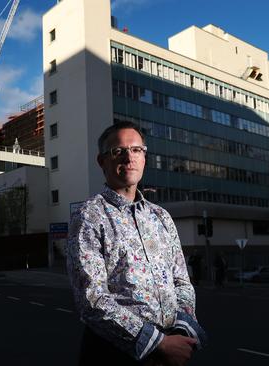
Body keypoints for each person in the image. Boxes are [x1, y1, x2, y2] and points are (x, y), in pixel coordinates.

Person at [67, 122, 207, 366]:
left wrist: (180, 334)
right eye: (118, 151)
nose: (128, 157)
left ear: (144, 157)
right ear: (102, 161)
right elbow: (92, 300)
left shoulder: (161, 216)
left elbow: (182, 282)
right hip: (115, 353)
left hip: (170, 349)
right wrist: (158, 343)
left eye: (136, 150)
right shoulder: (89, 215)